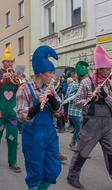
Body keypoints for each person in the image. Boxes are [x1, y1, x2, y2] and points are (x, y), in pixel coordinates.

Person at [16, 45, 63, 189]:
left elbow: (59, 113)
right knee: (35, 172)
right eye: (50, 73)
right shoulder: (24, 89)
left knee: (54, 169)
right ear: (41, 73)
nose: (53, 76)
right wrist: (35, 108)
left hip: (49, 132)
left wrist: (54, 103)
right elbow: (20, 115)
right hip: (33, 134)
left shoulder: (50, 88)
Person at [67, 45, 112, 189]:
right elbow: (76, 102)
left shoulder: (110, 83)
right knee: (82, 152)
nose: (109, 72)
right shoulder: (87, 82)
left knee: (111, 152)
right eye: (107, 69)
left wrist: (105, 96)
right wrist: (88, 99)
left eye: (110, 69)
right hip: (91, 124)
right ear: (99, 69)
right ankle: (72, 176)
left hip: (108, 124)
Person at [0, 45, 21, 173]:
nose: (10, 64)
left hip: (12, 110)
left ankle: (12, 162)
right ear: (2, 62)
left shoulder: (14, 74)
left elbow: (18, 92)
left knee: (13, 135)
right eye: (8, 61)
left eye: (11, 62)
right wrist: (2, 80)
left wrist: (19, 82)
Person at [66, 61, 89, 152]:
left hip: (82, 111)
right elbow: (68, 96)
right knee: (80, 128)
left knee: (81, 129)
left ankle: (74, 142)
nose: (87, 78)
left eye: (87, 76)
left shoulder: (85, 84)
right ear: (80, 77)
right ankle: (78, 146)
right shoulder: (73, 85)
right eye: (85, 76)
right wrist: (76, 93)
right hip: (74, 111)